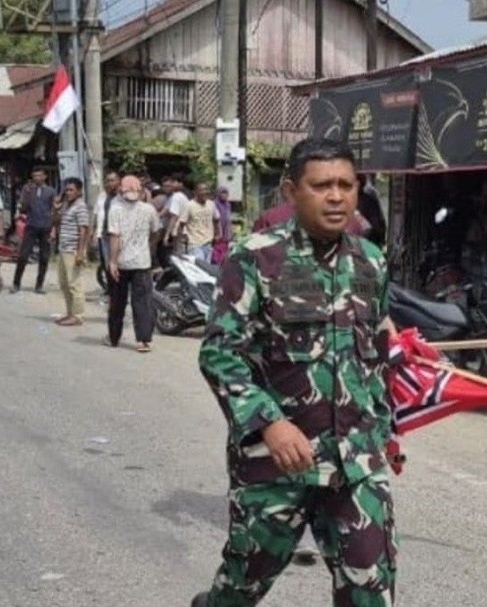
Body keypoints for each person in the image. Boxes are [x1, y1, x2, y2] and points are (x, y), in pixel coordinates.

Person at [191, 139, 395, 607]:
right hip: (277, 463)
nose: (337, 196)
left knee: (370, 592)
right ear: (290, 191)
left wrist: (383, 431)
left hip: (355, 464)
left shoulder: (371, 260)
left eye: (347, 185)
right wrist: (269, 422)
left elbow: (376, 353)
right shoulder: (256, 257)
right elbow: (220, 352)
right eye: (322, 185)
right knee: (242, 587)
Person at [105, 175, 161, 351]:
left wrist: (112, 262)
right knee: (143, 303)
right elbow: (156, 232)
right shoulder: (149, 209)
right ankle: (143, 341)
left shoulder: (115, 209)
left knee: (117, 303)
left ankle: (114, 338)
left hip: (121, 263)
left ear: (121, 190)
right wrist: (148, 247)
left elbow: (115, 237)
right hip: (142, 263)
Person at [10, 167, 56, 294]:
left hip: (46, 227)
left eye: (39, 176)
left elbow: (54, 210)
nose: (37, 178)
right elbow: (22, 206)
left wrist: (54, 228)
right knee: (23, 256)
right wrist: (19, 210)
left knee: (44, 258)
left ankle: (39, 285)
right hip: (31, 226)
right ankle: (16, 283)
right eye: (34, 176)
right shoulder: (28, 190)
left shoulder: (51, 191)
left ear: (45, 177)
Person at [54, 177, 90, 327]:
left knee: (75, 284)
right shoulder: (67, 206)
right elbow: (56, 222)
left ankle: (78, 315)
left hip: (73, 250)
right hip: (63, 249)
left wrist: (80, 252)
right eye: (66, 190)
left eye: (71, 190)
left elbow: (84, 230)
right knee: (64, 284)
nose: (68, 193)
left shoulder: (80, 207)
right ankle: (70, 313)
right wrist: (56, 208)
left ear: (79, 191)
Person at [93, 170, 121, 296]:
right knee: (106, 264)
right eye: (108, 180)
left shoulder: (122, 197)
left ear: (118, 181)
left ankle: (118, 291)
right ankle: (111, 290)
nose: (110, 183)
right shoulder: (102, 196)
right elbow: (96, 214)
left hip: (117, 235)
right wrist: (93, 232)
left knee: (117, 264)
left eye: (112, 180)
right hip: (103, 234)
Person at [181, 183, 220, 263]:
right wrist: (184, 235)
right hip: (195, 243)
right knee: (199, 268)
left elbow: (216, 219)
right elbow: (182, 222)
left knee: (206, 269)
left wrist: (217, 234)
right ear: (195, 192)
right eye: (202, 190)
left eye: (206, 189)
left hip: (208, 242)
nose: (205, 192)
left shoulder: (211, 204)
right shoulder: (189, 205)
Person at [162, 173, 191, 256]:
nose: (171, 184)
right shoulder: (184, 195)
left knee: (178, 256)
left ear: (180, 183)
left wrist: (167, 235)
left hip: (178, 231)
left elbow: (174, 216)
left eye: (173, 182)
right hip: (185, 231)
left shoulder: (176, 197)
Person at [211, 185, 233, 265]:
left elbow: (228, 220)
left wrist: (231, 235)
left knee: (224, 256)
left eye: (226, 193)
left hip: (226, 236)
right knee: (216, 256)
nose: (224, 195)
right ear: (218, 194)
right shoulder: (214, 204)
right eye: (222, 193)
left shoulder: (228, 205)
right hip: (217, 235)